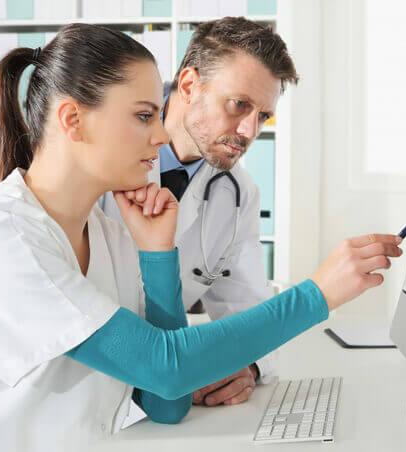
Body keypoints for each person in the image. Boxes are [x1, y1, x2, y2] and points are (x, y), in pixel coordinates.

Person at [0, 23, 401, 452]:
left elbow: (168, 401)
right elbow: (165, 367)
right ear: (73, 120)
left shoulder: (105, 234)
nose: (162, 134)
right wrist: (318, 294)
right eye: (144, 115)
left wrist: (158, 255)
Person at [99, 18, 301, 407]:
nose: (248, 131)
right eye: (238, 104)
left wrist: (250, 366)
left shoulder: (239, 194)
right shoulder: (103, 149)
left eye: (262, 116)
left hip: (165, 399)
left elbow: (251, 314)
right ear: (189, 85)